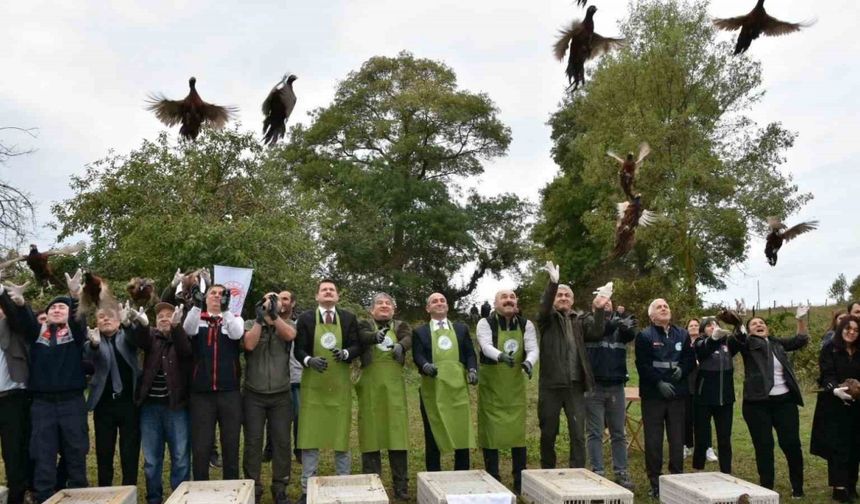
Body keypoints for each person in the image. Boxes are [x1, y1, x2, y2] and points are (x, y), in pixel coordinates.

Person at [5, 270, 89, 503]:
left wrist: (74, 295)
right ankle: (43, 497)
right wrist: (20, 303)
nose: (56, 310)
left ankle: (80, 495)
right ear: (47, 314)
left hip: (72, 402)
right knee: (43, 453)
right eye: (53, 308)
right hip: (42, 405)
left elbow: (80, 320)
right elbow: (24, 321)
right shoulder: (37, 333)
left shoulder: (74, 334)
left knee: (76, 451)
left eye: (61, 308)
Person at [536, 262, 609, 469]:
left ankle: (577, 472)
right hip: (551, 386)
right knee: (549, 432)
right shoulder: (547, 319)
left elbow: (596, 332)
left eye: (567, 296)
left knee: (578, 434)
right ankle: (546, 472)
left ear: (573, 300)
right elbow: (543, 307)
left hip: (575, 385)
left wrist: (600, 309)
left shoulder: (579, 319)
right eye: (560, 295)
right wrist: (553, 284)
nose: (563, 298)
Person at [294, 279, 361, 504]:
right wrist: (308, 360)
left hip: (339, 385)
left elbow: (357, 345)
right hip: (314, 386)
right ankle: (307, 487)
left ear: (337, 296)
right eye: (324, 289)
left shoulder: (349, 318)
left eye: (332, 289)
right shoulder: (304, 319)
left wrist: (346, 354)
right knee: (309, 435)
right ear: (317, 296)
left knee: (341, 434)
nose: (328, 292)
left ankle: (344, 483)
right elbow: (298, 349)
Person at [736, 306, 809, 498]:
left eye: (762, 323)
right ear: (750, 330)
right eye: (754, 324)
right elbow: (737, 339)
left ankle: (798, 488)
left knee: (791, 444)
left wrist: (800, 319)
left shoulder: (776, 343)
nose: (759, 324)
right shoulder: (747, 343)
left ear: (767, 328)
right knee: (764, 446)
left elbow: (800, 340)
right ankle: (767, 489)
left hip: (785, 402)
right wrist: (740, 321)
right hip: (757, 404)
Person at [476, 289, 538, 494]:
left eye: (512, 297)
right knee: (491, 432)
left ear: (516, 303)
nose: (509, 300)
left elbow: (532, 348)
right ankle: (493, 477)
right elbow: (485, 346)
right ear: (495, 304)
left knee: (517, 434)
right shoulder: (485, 323)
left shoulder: (525, 324)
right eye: (504, 298)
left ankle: (520, 479)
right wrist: (500, 356)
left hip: (514, 387)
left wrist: (529, 362)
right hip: (492, 387)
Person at [635, 298, 695, 498]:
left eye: (666, 306)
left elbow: (689, 359)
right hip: (654, 395)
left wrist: (683, 370)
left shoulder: (683, 334)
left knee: (677, 439)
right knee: (653, 440)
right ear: (651, 316)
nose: (664, 308)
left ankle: (677, 479)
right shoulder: (644, 335)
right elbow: (642, 365)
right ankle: (656, 483)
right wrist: (658, 383)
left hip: (678, 394)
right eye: (659, 307)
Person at [183, 283, 244, 481]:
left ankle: (232, 487)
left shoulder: (234, 318)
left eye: (222, 294)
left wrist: (226, 311)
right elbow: (187, 330)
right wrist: (195, 306)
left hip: (229, 391)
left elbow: (236, 334)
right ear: (206, 297)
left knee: (231, 442)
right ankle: (201, 487)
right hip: (201, 393)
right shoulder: (197, 319)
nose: (217, 296)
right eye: (213, 293)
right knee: (201, 444)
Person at [413, 292, 478, 472]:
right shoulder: (420, 332)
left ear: (447, 306)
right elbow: (417, 354)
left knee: (460, 429)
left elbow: (470, 353)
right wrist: (425, 365)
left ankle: (462, 472)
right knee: (433, 430)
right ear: (428, 308)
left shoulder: (461, 329)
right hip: (433, 389)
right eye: (434, 301)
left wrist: (472, 369)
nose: (439, 303)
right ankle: (434, 474)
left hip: (457, 388)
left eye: (442, 300)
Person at [356, 292, 412, 501]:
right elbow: (362, 337)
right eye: (379, 303)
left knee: (397, 435)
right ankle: (372, 481)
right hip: (370, 385)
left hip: (394, 388)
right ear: (372, 309)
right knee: (371, 434)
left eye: (388, 303)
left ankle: (401, 485)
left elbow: (408, 337)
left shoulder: (400, 325)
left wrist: (401, 346)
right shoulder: (365, 324)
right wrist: (375, 337)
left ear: (393, 309)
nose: (384, 306)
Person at [243, 292, 297, 504]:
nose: (271, 302)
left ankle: (280, 487)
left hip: (281, 393)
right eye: (268, 299)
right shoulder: (249, 322)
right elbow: (248, 345)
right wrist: (259, 319)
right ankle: (253, 487)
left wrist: (274, 317)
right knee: (253, 442)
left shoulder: (287, 323)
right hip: (253, 394)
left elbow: (290, 336)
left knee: (282, 441)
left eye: (276, 300)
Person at [84, 302, 145, 487]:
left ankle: (129, 487)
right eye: (101, 316)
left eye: (111, 316)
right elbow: (88, 355)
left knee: (129, 450)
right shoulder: (92, 340)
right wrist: (94, 345)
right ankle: (105, 489)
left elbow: (137, 339)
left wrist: (128, 324)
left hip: (129, 403)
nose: (106, 319)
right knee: (104, 451)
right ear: (96, 321)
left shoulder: (126, 336)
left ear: (118, 321)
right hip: (104, 405)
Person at [137, 302, 191, 504]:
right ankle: (154, 498)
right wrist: (141, 326)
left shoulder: (182, 337)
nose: (164, 318)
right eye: (160, 316)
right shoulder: (151, 337)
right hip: (150, 409)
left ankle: (180, 498)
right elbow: (139, 338)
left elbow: (185, 351)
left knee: (180, 457)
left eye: (169, 315)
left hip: (176, 407)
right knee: (151, 460)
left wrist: (177, 329)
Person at [585, 304, 637, 490]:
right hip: (594, 386)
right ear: (595, 305)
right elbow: (594, 333)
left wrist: (629, 327)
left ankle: (621, 472)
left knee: (618, 433)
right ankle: (597, 471)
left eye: (609, 301)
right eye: (602, 300)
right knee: (595, 432)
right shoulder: (589, 321)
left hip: (616, 385)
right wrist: (611, 325)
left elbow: (631, 336)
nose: (606, 303)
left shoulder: (620, 324)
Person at [811, 315, 860, 502]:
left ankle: (851, 485)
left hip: (857, 406)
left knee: (855, 445)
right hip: (834, 405)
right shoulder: (829, 349)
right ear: (841, 330)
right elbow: (826, 375)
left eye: (856, 330)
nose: (852, 333)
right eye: (848, 329)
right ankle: (839, 488)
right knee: (838, 447)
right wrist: (835, 389)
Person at [692, 317, 738, 474]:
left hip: (725, 399)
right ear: (703, 330)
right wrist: (713, 338)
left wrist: (739, 323)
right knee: (701, 437)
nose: (713, 327)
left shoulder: (727, 344)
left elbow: (741, 340)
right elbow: (704, 349)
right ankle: (698, 468)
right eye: (709, 326)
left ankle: (726, 471)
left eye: (715, 325)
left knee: (725, 438)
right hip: (704, 398)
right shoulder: (699, 342)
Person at [0, 283, 33, 504]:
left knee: (14, 452)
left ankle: (17, 497)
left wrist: (2, 292)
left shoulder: (13, 326)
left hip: (12, 399)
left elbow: (17, 315)